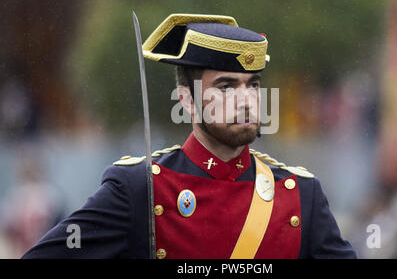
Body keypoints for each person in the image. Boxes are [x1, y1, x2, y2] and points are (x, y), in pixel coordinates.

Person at [22, 14, 356, 259]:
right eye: (226, 87)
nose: (246, 99)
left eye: (253, 85)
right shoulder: (141, 189)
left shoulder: (299, 195)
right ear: (187, 100)